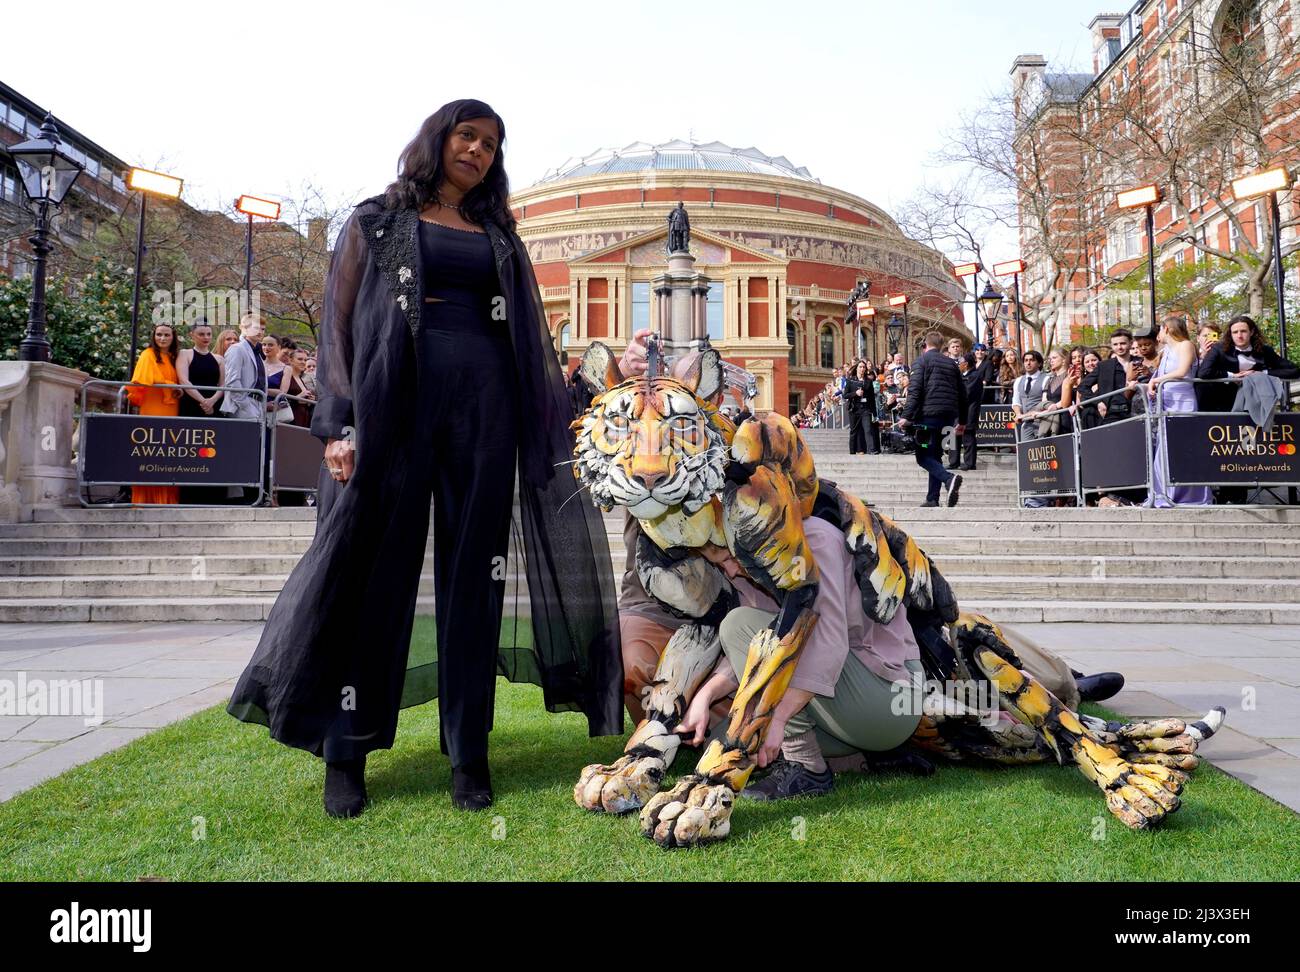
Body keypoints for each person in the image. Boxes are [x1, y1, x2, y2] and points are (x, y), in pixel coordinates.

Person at [227, 99, 621, 819]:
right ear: (438, 139)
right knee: (372, 574)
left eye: (491, 143)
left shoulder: (499, 234)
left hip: (485, 412)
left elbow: (530, 340)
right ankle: (346, 752)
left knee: (476, 580)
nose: (478, 150)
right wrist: (338, 426)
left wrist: (550, 436)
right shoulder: (376, 218)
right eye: (467, 136)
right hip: (393, 411)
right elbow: (340, 326)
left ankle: (469, 752)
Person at [1144, 317, 1212, 508]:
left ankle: (1191, 495)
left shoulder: (1186, 345)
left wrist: (1156, 381)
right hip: (1167, 402)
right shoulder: (1165, 351)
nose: (1158, 335)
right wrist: (1152, 385)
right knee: (1165, 448)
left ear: (1167, 329)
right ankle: (1164, 493)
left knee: (1185, 446)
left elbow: (1182, 371)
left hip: (1183, 401)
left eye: (1160, 330)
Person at [900, 330, 966, 508]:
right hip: (948, 418)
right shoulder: (952, 364)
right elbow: (962, 393)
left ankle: (948, 478)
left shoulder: (921, 361)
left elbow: (915, 391)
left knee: (922, 457)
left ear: (924, 346)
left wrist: (906, 416)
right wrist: (963, 420)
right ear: (942, 345)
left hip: (927, 417)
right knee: (935, 455)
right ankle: (932, 498)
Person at [126, 322, 183, 505]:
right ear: (153, 336)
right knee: (151, 448)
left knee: (169, 449)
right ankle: (146, 498)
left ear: (173, 337)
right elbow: (143, 379)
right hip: (153, 406)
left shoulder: (175, 357)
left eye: (167, 335)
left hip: (171, 407)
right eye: (159, 335)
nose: (162, 338)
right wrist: (170, 384)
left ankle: (167, 499)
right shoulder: (147, 354)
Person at [1197, 314, 1299, 412]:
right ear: (1230, 334)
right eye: (1235, 332)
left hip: (1256, 402)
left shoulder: (1264, 350)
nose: (1239, 336)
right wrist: (1233, 376)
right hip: (1222, 402)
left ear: (1252, 332)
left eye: (1243, 331)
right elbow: (1204, 372)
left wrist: (1261, 374)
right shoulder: (1219, 348)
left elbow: (1294, 370)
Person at [175, 319, 227, 505]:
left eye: (208, 334)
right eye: (201, 334)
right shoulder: (185, 354)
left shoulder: (219, 359)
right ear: (192, 335)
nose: (206, 338)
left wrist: (212, 400)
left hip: (213, 407)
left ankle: (212, 495)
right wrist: (202, 400)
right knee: (189, 450)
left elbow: (223, 384)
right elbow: (184, 380)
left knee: (211, 451)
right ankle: (188, 495)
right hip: (191, 406)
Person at [220, 313, 270, 503]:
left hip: (257, 406)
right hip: (242, 407)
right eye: (257, 327)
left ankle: (253, 494)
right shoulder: (237, 349)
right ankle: (238, 496)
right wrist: (247, 404)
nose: (261, 332)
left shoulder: (256, 352)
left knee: (254, 453)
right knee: (240, 452)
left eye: (263, 329)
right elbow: (233, 382)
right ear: (244, 328)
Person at [948, 351, 983, 471]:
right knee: (954, 435)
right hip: (957, 411)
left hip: (969, 412)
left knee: (968, 437)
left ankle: (969, 463)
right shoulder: (961, 376)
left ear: (966, 364)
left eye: (960, 363)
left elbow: (966, 394)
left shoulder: (975, 376)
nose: (958, 365)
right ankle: (953, 462)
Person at [1010, 350, 1048, 441]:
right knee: (1026, 450)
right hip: (1026, 423)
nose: (1028, 363)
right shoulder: (1018, 380)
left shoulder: (1046, 378)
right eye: (1026, 360)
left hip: (1042, 421)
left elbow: (1045, 402)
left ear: (1039, 363)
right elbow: (1016, 401)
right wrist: (1018, 414)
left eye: (1031, 360)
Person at [845, 360, 876, 455]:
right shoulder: (850, 380)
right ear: (857, 368)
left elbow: (872, 398)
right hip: (854, 408)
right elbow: (845, 395)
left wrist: (874, 413)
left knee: (868, 429)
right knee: (854, 431)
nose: (862, 369)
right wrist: (855, 393)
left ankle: (872, 450)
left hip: (865, 408)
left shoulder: (869, 381)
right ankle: (852, 452)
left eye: (863, 367)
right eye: (860, 367)